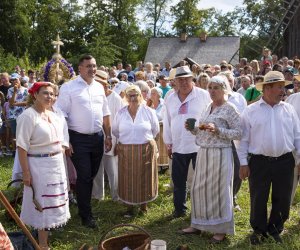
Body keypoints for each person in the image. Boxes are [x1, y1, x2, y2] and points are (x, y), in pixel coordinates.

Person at [238, 71, 300, 244]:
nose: (284, 91)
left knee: (283, 197)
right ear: (267, 88)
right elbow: (243, 140)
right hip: (259, 162)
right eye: (280, 87)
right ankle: (258, 230)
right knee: (258, 197)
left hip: (285, 161)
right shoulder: (250, 111)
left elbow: (297, 136)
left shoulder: (289, 109)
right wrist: (243, 163)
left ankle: (275, 229)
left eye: (284, 87)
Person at [181, 75, 242, 243]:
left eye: (216, 88)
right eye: (210, 88)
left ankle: (220, 230)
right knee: (198, 188)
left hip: (221, 153)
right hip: (204, 153)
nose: (212, 91)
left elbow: (239, 133)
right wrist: (193, 129)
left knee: (219, 191)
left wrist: (219, 130)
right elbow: (203, 129)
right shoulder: (208, 107)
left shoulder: (230, 109)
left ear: (224, 90)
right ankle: (198, 224)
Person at [56, 55, 112, 228]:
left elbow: (105, 113)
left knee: (91, 175)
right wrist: (66, 141)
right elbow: (61, 115)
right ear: (79, 68)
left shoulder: (99, 88)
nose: (92, 69)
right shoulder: (69, 88)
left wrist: (108, 135)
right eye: (88, 66)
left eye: (94, 66)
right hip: (78, 139)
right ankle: (86, 215)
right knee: (85, 176)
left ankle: (83, 206)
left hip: (97, 138)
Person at [17, 82, 70, 249]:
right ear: (35, 95)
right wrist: (26, 172)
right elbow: (22, 146)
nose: (50, 97)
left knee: (53, 201)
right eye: (46, 93)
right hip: (38, 166)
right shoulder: (28, 116)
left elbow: (61, 141)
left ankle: (46, 235)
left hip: (55, 164)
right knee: (42, 204)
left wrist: (58, 154)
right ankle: (42, 244)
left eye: (53, 94)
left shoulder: (54, 115)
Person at [163, 66, 211, 218]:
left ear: (192, 79)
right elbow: (167, 120)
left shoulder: (203, 95)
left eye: (187, 79)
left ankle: (202, 210)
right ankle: (179, 210)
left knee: (202, 180)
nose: (183, 82)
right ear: (175, 81)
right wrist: (168, 143)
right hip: (178, 145)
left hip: (199, 144)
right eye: (180, 79)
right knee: (178, 181)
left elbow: (211, 117)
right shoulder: (170, 97)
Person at [112, 85, 159, 215]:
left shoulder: (149, 111)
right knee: (127, 178)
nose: (133, 98)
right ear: (126, 97)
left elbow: (155, 130)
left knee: (145, 177)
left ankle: (144, 206)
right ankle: (129, 207)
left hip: (145, 149)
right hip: (126, 150)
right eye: (130, 95)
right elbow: (115, 130)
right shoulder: (121, 113)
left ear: (140, 96)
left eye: (135, 95)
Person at [92, 70, 124, 201]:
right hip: (96, 137)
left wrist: (118, 141)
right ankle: (98, 195)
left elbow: (120, 120)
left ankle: (116, 195)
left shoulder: (115, 98)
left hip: (112, 138)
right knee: (97, 167)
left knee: (112, 168)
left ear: (105, 85)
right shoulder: (93, 96)